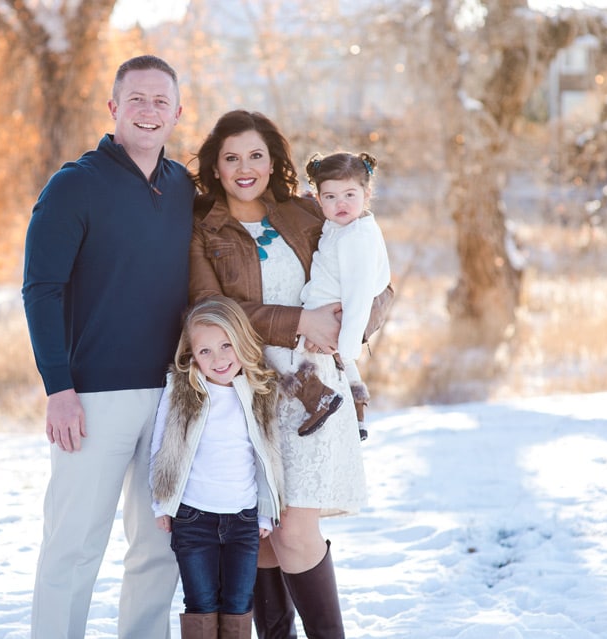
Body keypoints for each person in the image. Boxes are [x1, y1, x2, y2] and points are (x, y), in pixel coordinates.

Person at [21, 55, 194, 639]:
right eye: (137, 99)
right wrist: (58, 388)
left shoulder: (182, 187)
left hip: (174, 396)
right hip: (93, 397)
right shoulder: (75, 185)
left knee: (157, 547)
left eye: (160, 101)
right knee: (73, 544)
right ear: (114, 107)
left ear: (177, 112)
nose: (149, 111)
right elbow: (40, 290)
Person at [189, 110, 368, 639]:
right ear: (215, 168)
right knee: (261, 534)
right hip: (247, 392)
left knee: (293, 529)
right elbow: (208, 309)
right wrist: (300, 321)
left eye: (256, 155)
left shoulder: (308, 213)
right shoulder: (203, 231)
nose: (245, 168)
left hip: (313, 394)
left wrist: (348, 327)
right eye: (231, 158)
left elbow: (376, 284)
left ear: (273, 162)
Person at [150, 295, 283, 638]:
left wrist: (265, 514)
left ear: (241, 341)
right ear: (192, 354)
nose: (218, 358)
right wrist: (162, 503)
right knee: (201, 601)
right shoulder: (182, 389)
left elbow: (267, 455)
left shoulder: (259, 391)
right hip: (193, 518)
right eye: (205, 351)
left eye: (226, 345)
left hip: (243, 520)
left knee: (238, 602)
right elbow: (162, 447)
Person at [292, 151, 392, 441]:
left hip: (330, 312)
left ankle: (320, 399)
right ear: (318, 198)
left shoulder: (356, 238)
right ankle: (358, 413)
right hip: (324, 305)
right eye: (331, 197)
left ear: (367, 192)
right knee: (346, 369)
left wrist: (347, 344)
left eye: (350, 194)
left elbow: (359, 296)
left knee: (290, 355)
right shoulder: (343, 227)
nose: (341, 204)